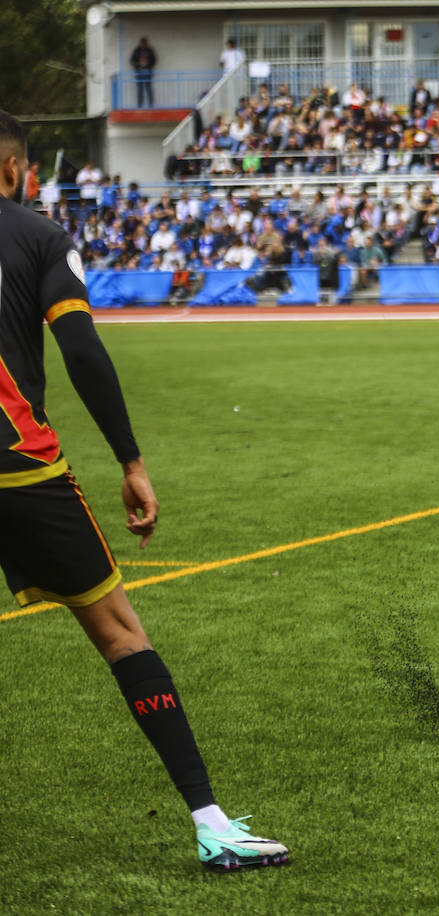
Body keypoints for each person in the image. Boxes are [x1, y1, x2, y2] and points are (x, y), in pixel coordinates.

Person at [0, 110, 288, 871]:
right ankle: (210, 823)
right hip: (19, 468)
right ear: (13, 172)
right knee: (121, 633)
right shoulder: (36, 235)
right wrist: (129, 460)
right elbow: (82, 349)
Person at [129, 37, 158, 108]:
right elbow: (132, 60)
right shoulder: (137, 51)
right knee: (140, 89)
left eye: (145, 43)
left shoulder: (149, 50)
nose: (144, 44)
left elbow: (154, 60)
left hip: (147, 72)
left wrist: (148, 65)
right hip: (139, 72)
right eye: (143, 43)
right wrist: (138, 64)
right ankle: (140, 105)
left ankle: (151, 105)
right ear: (140, 43)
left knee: (148, 88)